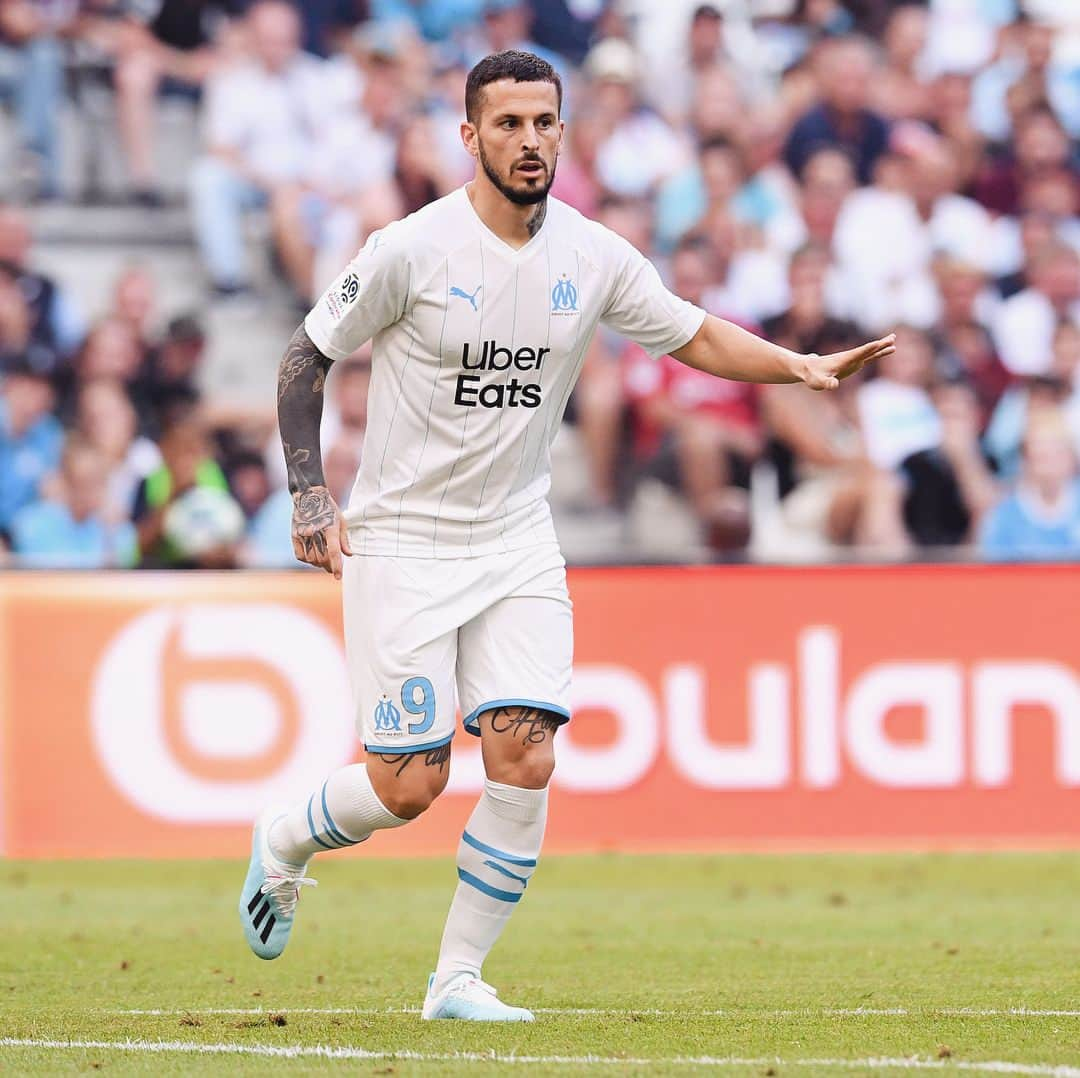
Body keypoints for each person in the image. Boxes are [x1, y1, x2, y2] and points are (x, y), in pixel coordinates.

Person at [239, 49, 894, 1021]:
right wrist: (308, 494)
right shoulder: (410, 248)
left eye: (545, 122)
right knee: (410, 783)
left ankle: (456, 978)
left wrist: (793, 367)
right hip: (405, 542)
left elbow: (689, 330)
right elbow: (306, 358)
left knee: (527, 754)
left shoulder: (590, 254)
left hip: (515, 537)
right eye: (507, 124)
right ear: (470, 138)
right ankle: (285, 839)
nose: (530, 140)